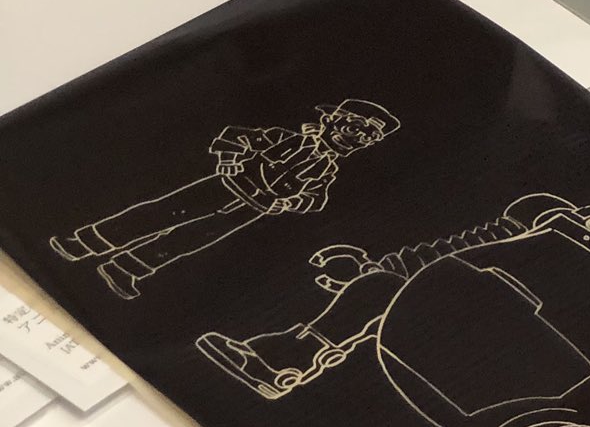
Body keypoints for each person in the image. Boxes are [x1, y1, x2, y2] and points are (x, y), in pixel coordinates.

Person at [48, 100, 399, 299]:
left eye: (367, 137)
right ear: (332, 120)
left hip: (251, 210)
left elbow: (315, 199)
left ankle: (124, 269)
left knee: (188, 240)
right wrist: (229, 160)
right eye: (353, 127)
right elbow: (236, 136)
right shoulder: (285, 138)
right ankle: (84, 243)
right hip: (223, 186)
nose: (356, 138)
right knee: (158, 215)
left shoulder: (326, 169)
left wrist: (288, 204)